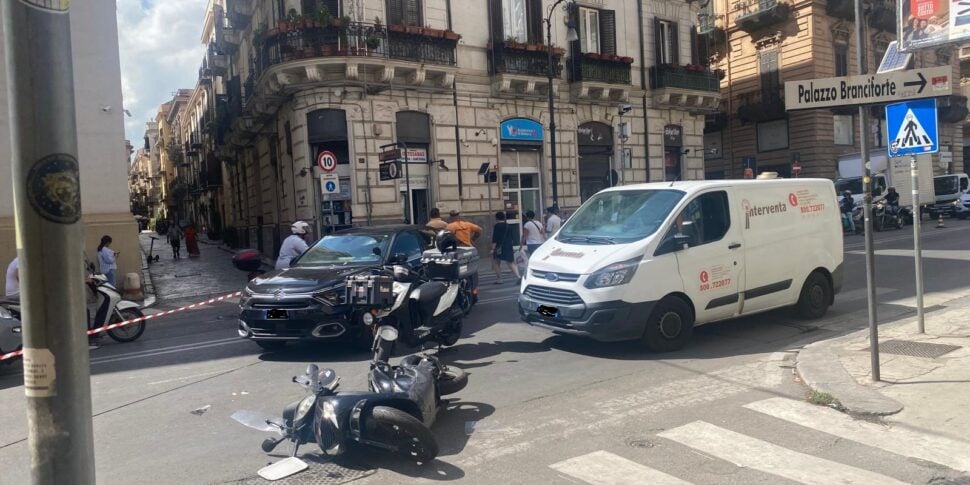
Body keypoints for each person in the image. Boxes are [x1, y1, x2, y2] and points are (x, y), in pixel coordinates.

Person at [490, 212, 520, 284]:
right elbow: (512, 236)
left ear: (496, 218)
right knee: (510, 262)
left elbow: (495, 238)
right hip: (508, 246)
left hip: (499, 247)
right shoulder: (508, 226)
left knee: (496, 262)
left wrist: (493, 248)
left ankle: (499, 279)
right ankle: (518, 276)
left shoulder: (497, 226)